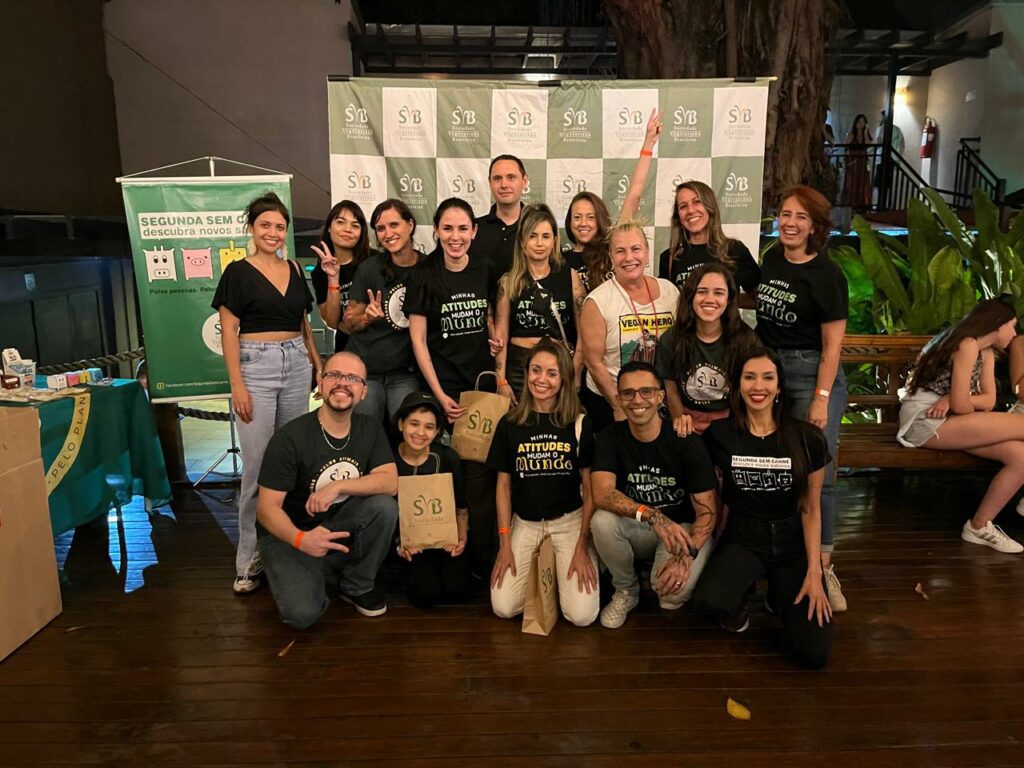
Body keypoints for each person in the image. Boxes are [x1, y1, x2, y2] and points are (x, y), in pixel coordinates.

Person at [695, 347, 833, 670]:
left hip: (792, 541)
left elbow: (812, 509)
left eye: (768, 378)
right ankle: (745, 591)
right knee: (708, 603)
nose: (759, 386)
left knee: (813, 653)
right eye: (750, 378)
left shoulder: (808, 438)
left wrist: (815, 571)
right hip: (744, 535)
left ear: (779, 386)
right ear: (737, 386)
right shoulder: (720, 435)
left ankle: (778, 594)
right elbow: (703, 484)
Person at [212, 191, 321, 595]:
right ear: (252, 228)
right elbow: (229, 331)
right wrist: (237, 384)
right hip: (255, 366)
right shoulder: (237, 272)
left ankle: (289, 545)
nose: (273, 233)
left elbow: (304, 323)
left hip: (297, 363)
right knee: (257, 467)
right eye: (265, 225)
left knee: (294, 461)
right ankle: (248, 558)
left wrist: (316, 363)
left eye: (279, 226)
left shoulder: (293, 268)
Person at [755, 185, 848, 612]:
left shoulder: (828, 275)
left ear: (815, 227)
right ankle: (786, 565)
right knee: (780, 470)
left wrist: (821, 398)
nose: (790, 223)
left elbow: (832, 347)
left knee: (817, 476)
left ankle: (824, 567)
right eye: (785, 214)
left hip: (813, 374)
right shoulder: (772, 259)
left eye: (800, 217)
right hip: (772, 374)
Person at [255, 351, 398, 627]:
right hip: (291, 531)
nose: (343, 383)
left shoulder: (369, 427)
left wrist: (337, 486)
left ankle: (356, 584)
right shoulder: (290, 438)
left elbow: (390, 482)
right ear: (320, 383)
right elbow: (266, 510)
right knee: (302, 615)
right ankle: (301, 566)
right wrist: (300, 539)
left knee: (383, 506)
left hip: (336, 522)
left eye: (353, 378)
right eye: (334, 375)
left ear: (363, 392)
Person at [405, 197, 501, 577]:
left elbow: (489, 313)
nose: (455, 236)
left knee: (478, 477)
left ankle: (479, 560)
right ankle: (439, 553)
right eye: (447, 228)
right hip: (441, 390)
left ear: (474, 231)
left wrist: (493, 336)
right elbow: (418, 340)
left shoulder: (484, 267)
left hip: (479, 392)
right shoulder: (424, 274)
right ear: (436, 232)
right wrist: (439, 396)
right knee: (442, 474)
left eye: (463, 228)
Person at [590, 361, 718, 628]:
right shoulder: (609, 437)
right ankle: (626, 589)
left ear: (660, 396)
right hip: (639, 526)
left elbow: (707, 511)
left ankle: (667, 574)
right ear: (619, 399)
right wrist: (653, 516)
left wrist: (686, 557)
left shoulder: (686, 440)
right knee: (601, 520)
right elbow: (602, 493)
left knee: (670, 597)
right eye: (628, 393)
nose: (637, 400)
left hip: (681, 531)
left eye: (646, 391)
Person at [898, 299, 1024, 553]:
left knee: (1021, 457)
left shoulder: (985, 352)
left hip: (952, 420)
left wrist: (953, 399)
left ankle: (979, 526)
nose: (1014, 333)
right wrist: (957, 401)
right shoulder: (966, 344)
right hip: (925, 421)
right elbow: (963, 405)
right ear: (997, 324)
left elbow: (988, 401)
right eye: (1011, 325)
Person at [488, 339, 599, 626]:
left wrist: (583, 544)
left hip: (569, 522)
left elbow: (590, 491)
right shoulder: (510, 423)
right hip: (525, 523)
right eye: (536, 370)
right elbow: (503, 487)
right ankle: (545, 577)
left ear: (563, 379)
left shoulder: (579, 423)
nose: (541, 379)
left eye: (552, 373)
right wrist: (504, 543)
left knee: (582, 616)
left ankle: (561, 577)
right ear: (526, 373)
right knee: (504, 607)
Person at [579, 219, 679, 431]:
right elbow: (593, 362)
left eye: (636, 249)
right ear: (611, 257)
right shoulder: (597, 302)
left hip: (661, 401)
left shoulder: (670, 292)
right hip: (612, 401)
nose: (629, 258)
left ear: (647, 252)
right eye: (620, 251)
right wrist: (619, 405)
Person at [342, 199, 425, 427]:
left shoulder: (428, 267)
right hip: (366, 372)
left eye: (394, 225)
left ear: (410, 225)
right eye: (380, 228)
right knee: (367, 433)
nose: (388, 234)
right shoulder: (369, 269)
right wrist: (366, 318)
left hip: (406, 374)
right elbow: (348, 324)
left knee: (408, 433)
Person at [495, 203, 586, 399]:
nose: (539, 243)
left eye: (545, 236)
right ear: (522, 241)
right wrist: (500, 380)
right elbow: (501, 333)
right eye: (532, 236)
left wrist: (576, 371)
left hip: (558, 366)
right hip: (519, 367)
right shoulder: (509, 282)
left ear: (554, 241)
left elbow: (583, 332)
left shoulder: (570, 276)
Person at [656, 263, 759, 434]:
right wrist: (680, 422)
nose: (710, 299)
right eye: (702, 291)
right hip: (686, 422)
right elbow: (671, 390)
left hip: (731, 423)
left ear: (729, 298)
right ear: (690, 296)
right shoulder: (671, 339)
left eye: (719, 293)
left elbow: (751, 391)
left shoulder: (747, 341)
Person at [393, 391, 471, 607]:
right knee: (425, 595)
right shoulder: (388, 460)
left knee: (458, 591)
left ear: (437, 431)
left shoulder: (447, 457)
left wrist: (461, 540)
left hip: (444, 539)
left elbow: (461, 507)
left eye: (429, 427)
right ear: (401, 424)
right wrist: (399, 545)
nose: (420, 433)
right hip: (410, 543)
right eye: (414, 424)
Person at [657, 181, 761, 306]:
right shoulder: (669, 258)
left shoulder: (734, 250)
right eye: (683, 206)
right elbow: (665, 304)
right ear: (678, 217)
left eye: (697, 202)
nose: (690, 210)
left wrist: (727, 303)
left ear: (710, 207)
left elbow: (761, 300)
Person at [310, 200, 370, 352]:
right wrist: (333, 278)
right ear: (329, 228)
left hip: (376, 344)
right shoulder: (320, 272)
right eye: (341, 222)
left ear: (361, 232)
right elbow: (331, 322)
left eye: (355, 225)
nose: (348, 229)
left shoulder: (374, 261)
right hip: (346, 347)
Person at [472, 154, 528, 278]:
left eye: (511, 177)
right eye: (497, 178)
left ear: (524, 181)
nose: (504, 185)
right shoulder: (473, 229)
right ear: (490, 183)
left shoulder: (539, 228)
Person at [562, 191, 613, 294]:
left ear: (600, 220)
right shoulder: (561, 261)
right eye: (577, 217)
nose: (583, 223)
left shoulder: (611, 255)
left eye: (591, 217)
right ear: (570, 221)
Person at [842, 114, 873, 211]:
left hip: (863, 160)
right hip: (853, 160)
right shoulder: (851, 134)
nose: (861, 124)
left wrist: (865, 132)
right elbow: (846, 144)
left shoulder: (865, 134)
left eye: (863, 122)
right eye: (859, 122)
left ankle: (863, 204)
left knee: (863, 181)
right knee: (852, 181)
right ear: (856, 123)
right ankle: (851, 203)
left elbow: (867, 144)